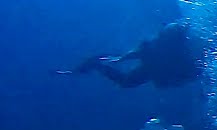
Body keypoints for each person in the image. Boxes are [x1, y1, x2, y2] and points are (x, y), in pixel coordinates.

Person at [59, 22, 202, 89]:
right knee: (126, 81)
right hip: (156, 67)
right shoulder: (161, 47)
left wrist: (120, 59)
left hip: (158, 68)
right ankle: (94, 64)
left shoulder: (175, 51)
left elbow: (142, 51)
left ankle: (94, 64)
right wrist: (120, 59)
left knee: (126, 81)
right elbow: (143, 50)